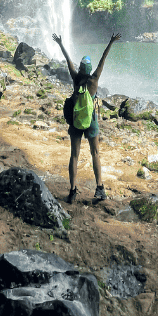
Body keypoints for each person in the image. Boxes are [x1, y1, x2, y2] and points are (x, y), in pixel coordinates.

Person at [52, 31, 121, 204]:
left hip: (76, 121)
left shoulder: (76, 78)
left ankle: (73, 190)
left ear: (81, 68)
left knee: (74, 155)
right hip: (91, 120)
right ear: (90, 70)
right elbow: (102, 61)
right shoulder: (94, 80)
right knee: (95, 153)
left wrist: (60, 44)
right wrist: (111, 42)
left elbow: (68, 62)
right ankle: (99, 188)